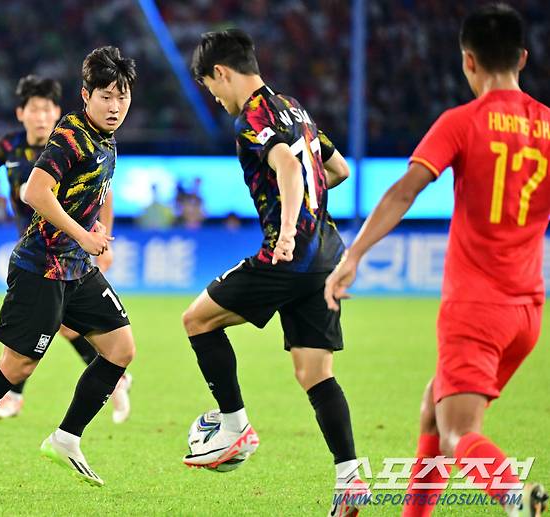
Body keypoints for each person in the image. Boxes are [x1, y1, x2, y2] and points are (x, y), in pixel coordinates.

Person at [324, 5, 548, 516]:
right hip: (529, 313)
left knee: (457, 435)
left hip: (476, 309)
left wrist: (353, 255)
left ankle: (518, 499)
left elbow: (405, 193)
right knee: (432, 410)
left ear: (468, 61)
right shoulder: (548, 126)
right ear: (523, 58)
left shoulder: (462, 122)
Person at [0, 46, 137, 492]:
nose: (115, 106)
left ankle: (66, 438)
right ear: (85, 96)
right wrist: (84, 235)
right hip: (42, 268)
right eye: (105, 96)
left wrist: (95, 236)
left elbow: (101, 194)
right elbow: (34, 193)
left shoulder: (106, 140)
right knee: (16, 368)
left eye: (122, 96)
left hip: (77, 270)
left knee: (120, 348)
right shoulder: (70, 137)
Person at [183, 29, 370, 516]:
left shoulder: (253, 117)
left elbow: (287, 164)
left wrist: (287, 229)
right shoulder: (295, 109)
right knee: (314, 371)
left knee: (197, 320)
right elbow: (339, 169)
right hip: (327, 250)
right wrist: (306, 203)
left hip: (293, 254)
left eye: (210, 86)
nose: (214, 96)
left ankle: (234, 427)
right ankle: (349, 478)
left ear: (221, 73)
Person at [0, 75, 132, 423]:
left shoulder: (67, 144)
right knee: (58, 326)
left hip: (66, 252)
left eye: (48, 110)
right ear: (21, 113)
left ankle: (15, 394)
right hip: (35, 249)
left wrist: (102, 239)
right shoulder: (8, 148)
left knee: (47, 327)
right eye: (35, 110)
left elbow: (104, 191)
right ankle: (110, 377)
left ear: (57, 111)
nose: (42, 117)